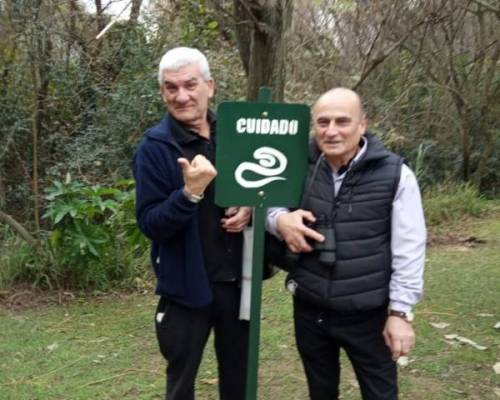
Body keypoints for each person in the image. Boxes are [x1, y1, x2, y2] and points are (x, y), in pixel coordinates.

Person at [266, 87, 426, 400]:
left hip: (367, 313)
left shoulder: (395, 174)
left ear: (362, 125)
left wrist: (400, 313)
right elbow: (264, 200)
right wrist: (279, 221)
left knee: (380, 393)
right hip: (310, 308)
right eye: (323, 122)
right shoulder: (295, 162)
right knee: (321, 392)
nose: (332, 131)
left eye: (342, 121)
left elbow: (410, 248)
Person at [133, 47, 252, 400]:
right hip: (185, 287)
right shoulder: (155, 148)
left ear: (210, 86)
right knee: (181, 384)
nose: (181, 96)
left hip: (236, 284)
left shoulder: (235, 136)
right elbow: (151, 223)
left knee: (240, 380)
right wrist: (189, 194)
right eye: (171, 88)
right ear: (162, 92)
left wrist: (249, 210)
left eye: (190, 84)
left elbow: (260, 188)